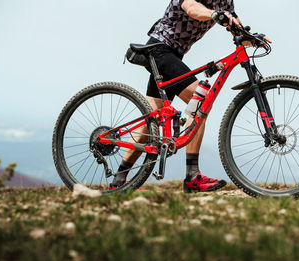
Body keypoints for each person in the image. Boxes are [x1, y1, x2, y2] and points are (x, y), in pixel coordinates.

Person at [111, 0, 261, 192]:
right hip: (159, 50)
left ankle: (118, 182)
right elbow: (192, 8)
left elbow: (235, 26)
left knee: (151, 121)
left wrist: (252, 38)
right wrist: (215, 14)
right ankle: (192, 175)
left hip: (173, 55)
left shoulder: (225, 1)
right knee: (201, 100)